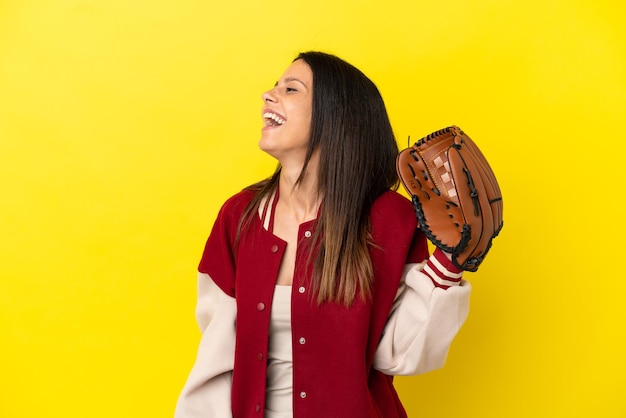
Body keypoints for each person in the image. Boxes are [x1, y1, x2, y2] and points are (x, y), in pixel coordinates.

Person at [174, 51, 471, 418]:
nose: (269, 94)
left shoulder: (388, 218)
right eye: (274, 86)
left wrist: (449, 265)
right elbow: (219, 354)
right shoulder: (239, 216)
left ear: (335, 117)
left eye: (291, 89)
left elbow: (399, 351)